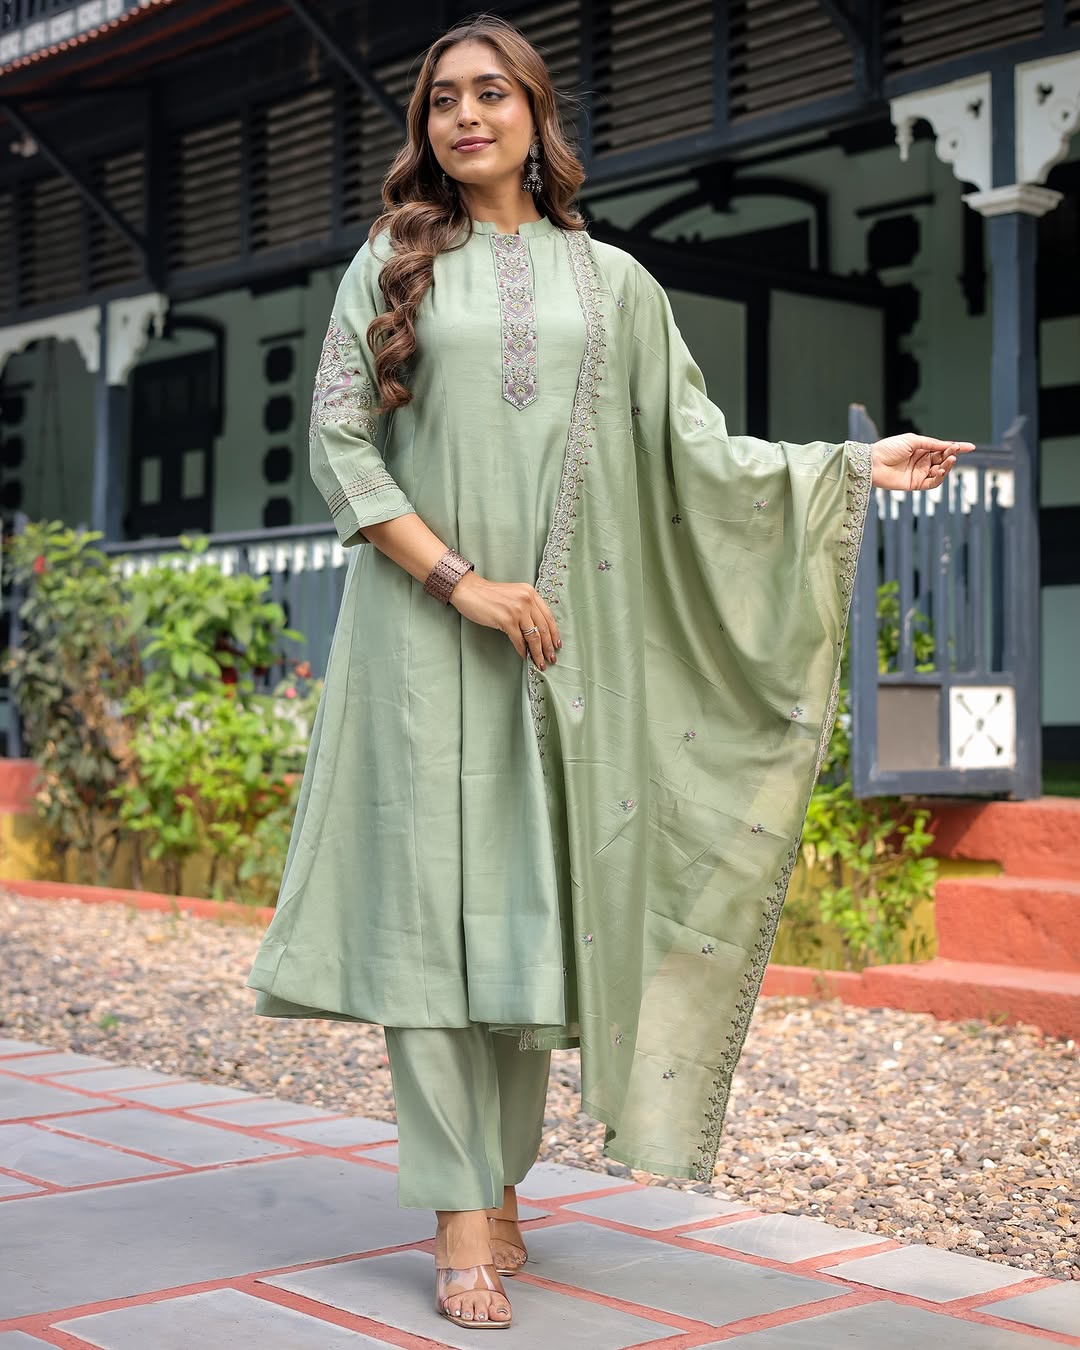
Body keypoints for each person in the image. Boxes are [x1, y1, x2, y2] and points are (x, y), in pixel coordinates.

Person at [247, 14, 971, 1332]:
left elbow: (693, 451)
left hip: (554, 648)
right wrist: (461, 579)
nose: (466, 118)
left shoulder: (613, 286)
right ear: (426, 129)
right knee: (432, 922)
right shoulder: (389, 262)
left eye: (491, 95)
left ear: (534, 112)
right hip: (424, 633)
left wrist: (852, 464)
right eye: (443, 101)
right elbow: (341, 444)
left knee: (529, 920)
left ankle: (502, 1175)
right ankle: (459, 1209)